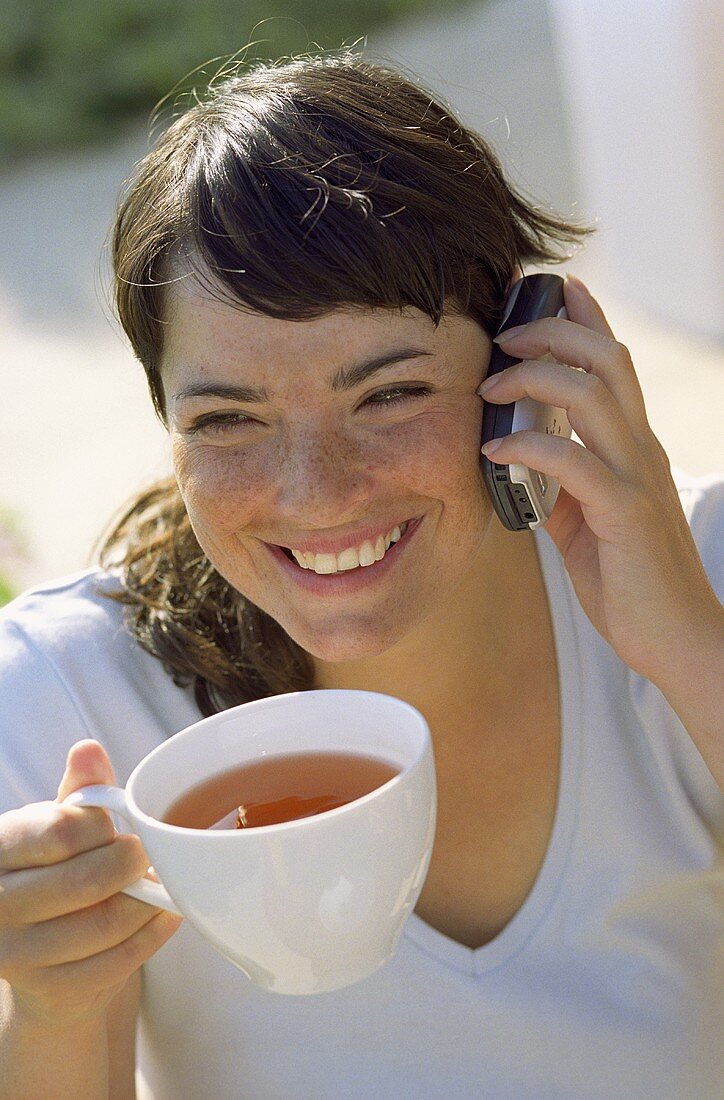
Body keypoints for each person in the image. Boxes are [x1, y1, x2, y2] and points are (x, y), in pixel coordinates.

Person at [0, 51, 722, 1100]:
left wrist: (690, 652)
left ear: (525, 364)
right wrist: (55, 1006)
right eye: (228, 419)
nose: (316, 490)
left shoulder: (691, 569)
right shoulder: (69, 702)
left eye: (387, 395)